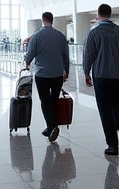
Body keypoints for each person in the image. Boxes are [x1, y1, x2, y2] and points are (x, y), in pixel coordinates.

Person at [83, 4, 119, 156]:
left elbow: (88, 54)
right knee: (117, 103)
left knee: (105, 110)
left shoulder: (94, 31)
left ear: (98, 14)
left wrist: (86, 72)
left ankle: (112, 145)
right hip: (118, 75)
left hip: (101, 75)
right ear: (110, 14)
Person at [24, 11, 70, 142]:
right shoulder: (60, 36)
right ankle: (50, 128)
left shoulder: (37, 36)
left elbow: (30, 53)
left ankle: (52, 126)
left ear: (43, 20)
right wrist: (66, 71)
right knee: (54, 99)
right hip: (57, 74)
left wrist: (26, 63)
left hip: (42, 74)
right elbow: (65, 55)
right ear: (52, 20)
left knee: (45, 100)